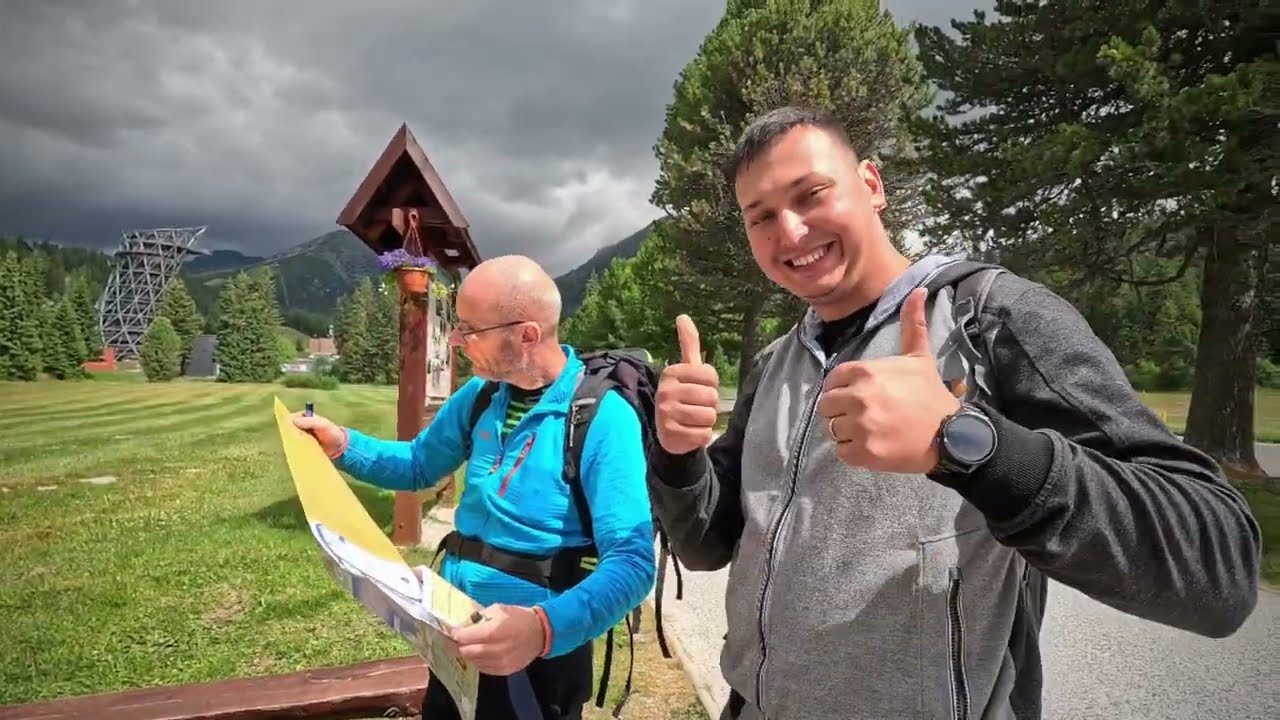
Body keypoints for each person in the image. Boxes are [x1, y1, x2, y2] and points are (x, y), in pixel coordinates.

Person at [647, 106, 1262, 720]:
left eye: (811, 194)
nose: (789, 231)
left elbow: (1222, 570)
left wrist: (964, 442)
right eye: (760, 216)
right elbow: (707, 546)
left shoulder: (994, 321)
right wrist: (677, 455)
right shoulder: (774, 365)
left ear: (871, 184)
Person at [293, 255, 656, 720]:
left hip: (534, 657)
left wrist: (541, 630)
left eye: (470, 330)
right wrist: (342, 444)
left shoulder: (603, 417)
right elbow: (419, 464)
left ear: (527, 335)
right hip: (453, 634)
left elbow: (632, 563)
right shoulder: (483, 395)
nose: (456, 341)